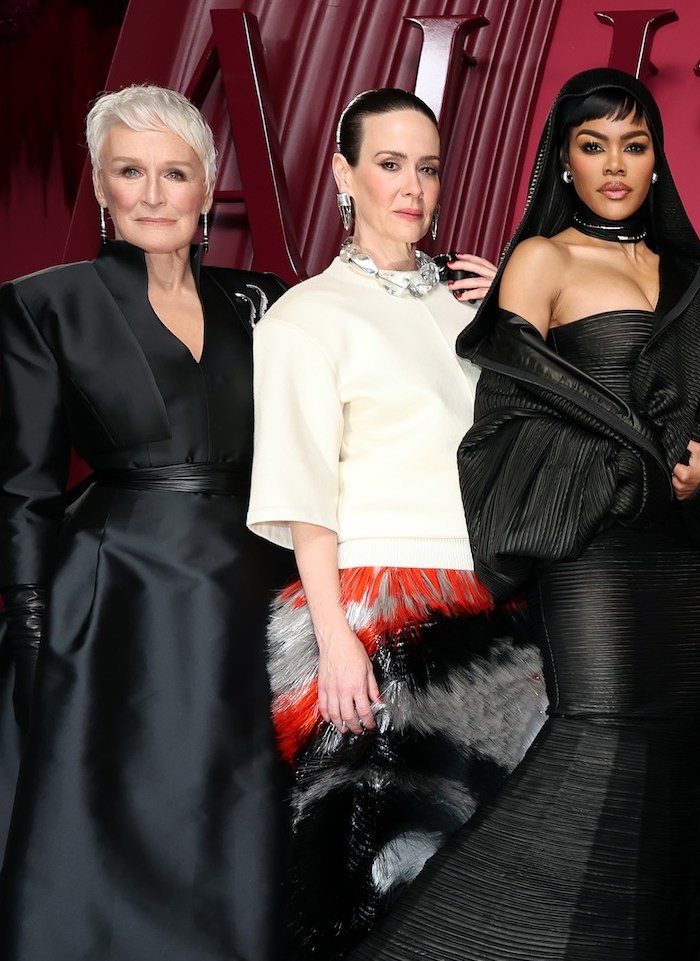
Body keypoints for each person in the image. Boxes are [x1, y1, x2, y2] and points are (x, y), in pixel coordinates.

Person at [347, 67, 700, 961]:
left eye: (634, 146)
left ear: (657, 161)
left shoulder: (692, 279)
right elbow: (506, 422)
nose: (614, 165)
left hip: (679, 559)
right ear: (564, 161)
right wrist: (628, 463)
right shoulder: (542, 260)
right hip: (593, 545)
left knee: (667, 761)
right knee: (598, 740)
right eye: (592, 146)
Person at [0, 84, 294, 961]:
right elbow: (23, 484)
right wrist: (31, 625)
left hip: (256, 592)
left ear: (207, 186)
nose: (155, 194)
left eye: (176, 172)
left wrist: (481, 307)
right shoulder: (42, 303)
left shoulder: (266, 301)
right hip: (113, 599)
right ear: (101, 185)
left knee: (238, 817)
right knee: (109, 825)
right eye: (131, 171)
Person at [248, 87, 543, 960]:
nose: (412, 187)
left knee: (488, 882)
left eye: (428, 168)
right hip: (379, 622)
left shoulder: (469, 309)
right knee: (374, 879)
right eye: (388, 164)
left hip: (492, 619)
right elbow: (304, 494)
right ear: (344, 176)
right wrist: (334, 638)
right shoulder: (306, 317)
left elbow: (528, 452)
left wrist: (512, 318)